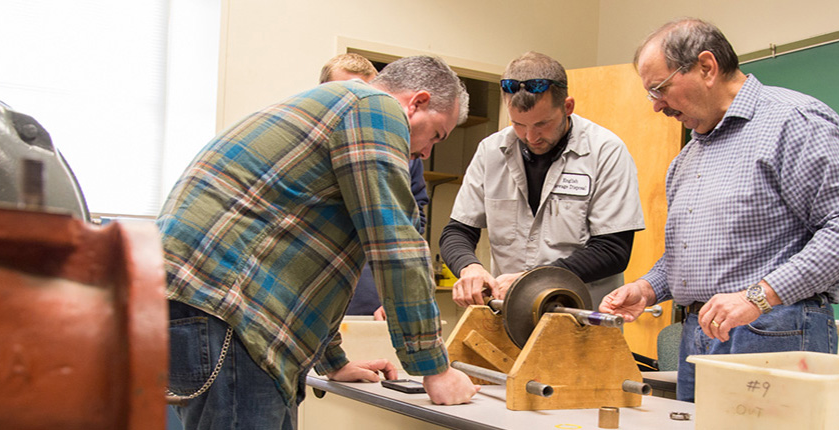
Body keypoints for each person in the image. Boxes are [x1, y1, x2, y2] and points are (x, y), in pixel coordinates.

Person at [158, 55, 480, 429]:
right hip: (228, 316)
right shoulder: (375, 108)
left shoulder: (335, 108)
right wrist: (433, 367)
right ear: (417, 102)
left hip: (196, 312)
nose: (425, 153)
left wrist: (334, 361)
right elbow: (394, 244)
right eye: (437, 135)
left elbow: (311, 264)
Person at [598, 18, 839, 402]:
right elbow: (690, 254)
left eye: (659, 89)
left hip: (773, 332)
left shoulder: (792, 120)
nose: (655, 106)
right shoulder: (687, 158)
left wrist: (759, 297)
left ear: (706, 67)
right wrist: (648, 288)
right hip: (698, 337)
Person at [441, 51, 645, 308]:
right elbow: (457, 231)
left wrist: (531, 280)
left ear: (567, 107)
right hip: (511, 317)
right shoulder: (491, 151)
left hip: (580, 319)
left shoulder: (606, 151)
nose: (530, 136)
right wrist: (469, 268)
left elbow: (613, 250)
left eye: (542, 124)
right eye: (518, 124)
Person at [317, 54, 430, 321]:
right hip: (320, 290)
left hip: (372, 298)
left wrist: (393, 297)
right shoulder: (313, 149)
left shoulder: (404, 156)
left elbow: (410, 225)